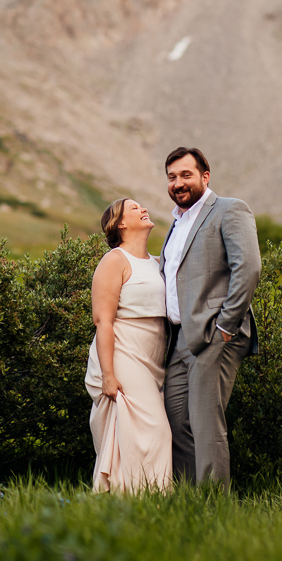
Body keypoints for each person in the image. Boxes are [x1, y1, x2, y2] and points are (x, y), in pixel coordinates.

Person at [159, 146, 261, 485]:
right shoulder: (175, 224)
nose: (178, 183)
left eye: (186, 175)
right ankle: (191, 502)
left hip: (215, 335)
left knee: (205, 425)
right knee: (176, 420)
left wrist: (226, 326)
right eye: (172, 177)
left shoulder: (230, 210)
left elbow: (247, 268)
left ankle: (213, 507)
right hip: (178, 340)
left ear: (205, 176)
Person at [85, 198, 173, 493]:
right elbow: (103, 321)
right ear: (120, 223)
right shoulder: (114, 260)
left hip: (153, 357)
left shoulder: (158, 263)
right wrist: (108, 374)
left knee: (137, 433)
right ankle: (150, 497)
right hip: (123, 352)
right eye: (134, 208)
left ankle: (130, 502)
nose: (143, 209)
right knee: (155, 429)